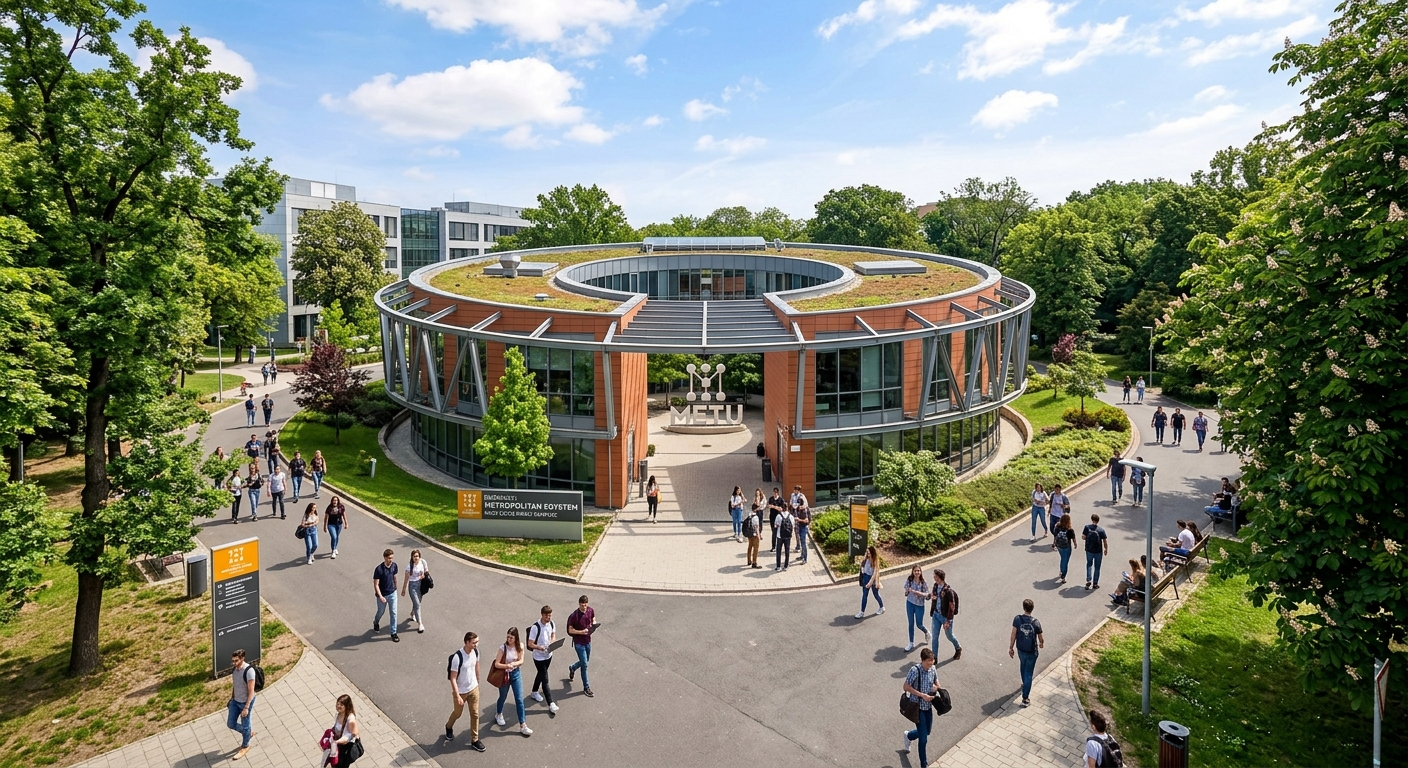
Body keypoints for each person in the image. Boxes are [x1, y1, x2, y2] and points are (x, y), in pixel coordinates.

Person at [445, 631, 487, 752]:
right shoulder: (458, 657)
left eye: (477, 642)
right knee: (457, 714)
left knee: (475, 714)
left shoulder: (476, 652)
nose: (476, 645)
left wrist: (478, 680)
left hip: (473, 688)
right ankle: (448, 726)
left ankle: (475, 740)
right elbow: (453, 678)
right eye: (474, 643)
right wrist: (457, 695)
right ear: (467, 642)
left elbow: (476, 665)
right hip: (461, 692)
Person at [900, 647, 941, 768]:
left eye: (932, 662)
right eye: (928, 662)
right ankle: (924, 764)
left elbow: (938, 683)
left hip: (928, 706)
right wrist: (921, 695)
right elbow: (905, 687)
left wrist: (936, 688)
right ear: (922, 660)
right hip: (918, 708)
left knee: (927, 732)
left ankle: (909, 735)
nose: (930, 664)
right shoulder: (914, 670)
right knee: (923, 740)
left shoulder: (933, 669)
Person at [492, 628, 532, 736]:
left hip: (515, 674)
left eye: (511, 637)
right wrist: (506, 666)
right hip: (505, 675)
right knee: (503, 696)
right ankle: (499, 713)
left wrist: (513, 665)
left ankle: (523, 725)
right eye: (508, 637)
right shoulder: (503, 648)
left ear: (516, 638)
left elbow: (521, 660)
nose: (509, 639)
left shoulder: (520, 646)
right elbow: (497, 664)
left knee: (519, 699)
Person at [1008, 598, 1044, 707]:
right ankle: (1025, 698)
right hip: (1032, 652)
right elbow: (1040, 637)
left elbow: (1013, 634)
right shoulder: (1036, 622)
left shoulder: (1017, 619)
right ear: (1032, 609)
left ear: (1024, 608)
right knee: (1029, 673)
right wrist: (1041, 643)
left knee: (1023, 667)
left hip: (1021, 649)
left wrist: (1011, 647)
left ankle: (1025, 685)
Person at [526, 606, 559, 714]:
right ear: (542, 615)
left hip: (549, 655)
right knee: (545, 678)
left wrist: (552, 641)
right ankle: (551, 703)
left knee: (541, 674)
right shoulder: (536, 627)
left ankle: (534, 692)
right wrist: (539, 647)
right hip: (538, 657)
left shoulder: (552, 623)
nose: (548, 617)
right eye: (546, 615)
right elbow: (530, 643)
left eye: (550, 615)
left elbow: (553, 635)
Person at [227, 649, 257, 760]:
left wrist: (246, 707)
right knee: (230, 723)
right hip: (235, 701)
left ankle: (245, 746)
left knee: (245, 724)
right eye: (233, 661)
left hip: (245, 702)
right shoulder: (235, 670)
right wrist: (231, 699)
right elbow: (235, 685)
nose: (234, 663)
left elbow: (251, 692)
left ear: (242, 658)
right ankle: (247, 733)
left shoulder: (249, 671)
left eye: (236, 661)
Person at [566, 594, 596, 697]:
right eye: (582, 605)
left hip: (588, 641)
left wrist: (594, 625)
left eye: (585, 605)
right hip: (579, 643)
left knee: (585, 661)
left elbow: (593, 618)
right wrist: (581, 632)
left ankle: (572, 667)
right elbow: (570, 630)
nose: (584, 607)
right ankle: (586, 687)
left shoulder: (590, 610)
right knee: (585, 665)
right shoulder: (574, 616)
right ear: (579, 604)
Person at [930, 568, 962, 660]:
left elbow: (952, 607)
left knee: (949, 636)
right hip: (936, 615)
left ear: (941, 577)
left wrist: (948, 621)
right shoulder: (935, 586)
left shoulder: (948, 591)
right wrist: (933, 597)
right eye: (934, 576)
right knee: (935, 637)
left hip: (945, 618)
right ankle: (934, 658)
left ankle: (958, 648)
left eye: (936, 576)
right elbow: (934, 597)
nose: (934, 578)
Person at [322, 694, 360, 767]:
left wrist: (336, 742)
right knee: (332, 762)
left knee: (341, 765)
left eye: (341, 705)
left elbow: (352, 735)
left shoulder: (350, 719)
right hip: (337, 743)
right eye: (337, 704)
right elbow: (336, 726)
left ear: (347, 706)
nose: (338, 706)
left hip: (346, 747)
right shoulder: (338, 713)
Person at [372, 549, 400, 642]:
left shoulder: (394, 566)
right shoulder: (379, 569)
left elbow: (394, 576)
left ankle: (393, 632)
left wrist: (396, 585)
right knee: (380, 612)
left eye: (392, 558)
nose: (390, 560)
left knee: (394, 613)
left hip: (392, 593)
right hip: (382, 595)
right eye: (389, 558)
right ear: (384, 557)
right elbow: (376, 584)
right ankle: (376, 622)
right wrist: (380, 596)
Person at [902, 566, 930, 653]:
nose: (917, 572)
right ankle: (911, 642)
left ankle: (926, 632)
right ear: (913, 572)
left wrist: (918, 593)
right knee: (911, 623)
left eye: (918, 571)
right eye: (915, 571)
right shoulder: (910, 580)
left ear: (921, 572)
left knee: (919, 624)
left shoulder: (923, 583)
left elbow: (927, 595)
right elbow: (906, 589)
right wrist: (907, 591)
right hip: (910, 603)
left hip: (919, 605)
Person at [402, 549, 429, 633]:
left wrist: (423, 576)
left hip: (420, 585)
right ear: (412, 557)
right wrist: (404, 589)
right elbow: (406, 578)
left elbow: (426, 571)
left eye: (417, 556)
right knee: (417, 604)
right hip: (412, 586)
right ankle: (420, 623)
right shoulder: (409, 566)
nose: (416, 558)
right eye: (414, 556)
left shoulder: (422, 562)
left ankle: (412, 613)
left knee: (418, 602)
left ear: (419, 556)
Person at [855, 545, 884, 619]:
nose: (867, 554)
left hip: (873, 579)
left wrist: (870, 582)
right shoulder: (866, 560)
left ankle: (882, 607)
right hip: (865, 577)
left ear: (872, 553)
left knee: (876, 594)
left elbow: (875, 574)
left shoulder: (875, 561)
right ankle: (862, 612)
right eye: (867, 552)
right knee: (864, 595)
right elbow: (863, 569)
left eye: (868, 553)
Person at [1083, 514, 1109, 590]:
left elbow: (1083, 537)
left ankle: (1088, 579)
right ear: (1098, 521)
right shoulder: (1101, 530)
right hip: (1098, 551)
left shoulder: (1087, 527)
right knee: (1097, 567)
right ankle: (1095, 583)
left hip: (1089, 550)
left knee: (1089, 564)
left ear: (1092, 519)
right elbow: (1104, 541)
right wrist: (1106, 549)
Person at [1052, 513, 1075, 584]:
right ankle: (1063, 576)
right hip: (1067, 547)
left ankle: (1061, 571)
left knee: (1062, 558)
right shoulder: (1069, 529)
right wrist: (1075, 544)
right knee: (1065, 561)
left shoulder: (1057, 527)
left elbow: (1055, 536)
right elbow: (1073, 538)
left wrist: (1054, 544)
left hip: (1059, 546)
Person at [793, 487, 812, 564]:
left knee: (803, 543)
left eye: (800, 504)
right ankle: (802, 555)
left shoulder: (805, 510)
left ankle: (805, 558)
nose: (799, 506)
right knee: (801, 541)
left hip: (804, 527)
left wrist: (799, 520)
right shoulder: (798, 509)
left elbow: (806, 520)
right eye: (798, 503)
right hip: (799, 526)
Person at [743, 502, 762, 569]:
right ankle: (754, 562)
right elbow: (756, 527)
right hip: (754, 534)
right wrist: (759, 535)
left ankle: (749, 560)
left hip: (749, 534)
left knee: (750, 547)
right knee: (756, 549)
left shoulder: (749, 515)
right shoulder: (756, 517)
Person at [775, 503, 794, 571]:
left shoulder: (778, 516)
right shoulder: (791, 516)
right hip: (788, 536)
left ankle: (778, 567)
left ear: (782, 508)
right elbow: (793, 526)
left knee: (778, 551)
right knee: (787, 551)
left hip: (779, 536)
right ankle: (786, 566)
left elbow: (775, 525)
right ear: (787, 508)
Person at [766, 487, 784, 551]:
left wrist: (774, 506)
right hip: (772, 517)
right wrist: (769, 506)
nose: (775, 493)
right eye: (774, 492)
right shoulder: (771, 498)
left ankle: (779, 545)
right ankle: (773, 546)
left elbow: (781, 508)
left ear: (778, 492)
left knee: (779, 532)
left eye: (776, 492)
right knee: (773, 532)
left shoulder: (781, 500)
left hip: (778, 517)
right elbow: (768, 505)